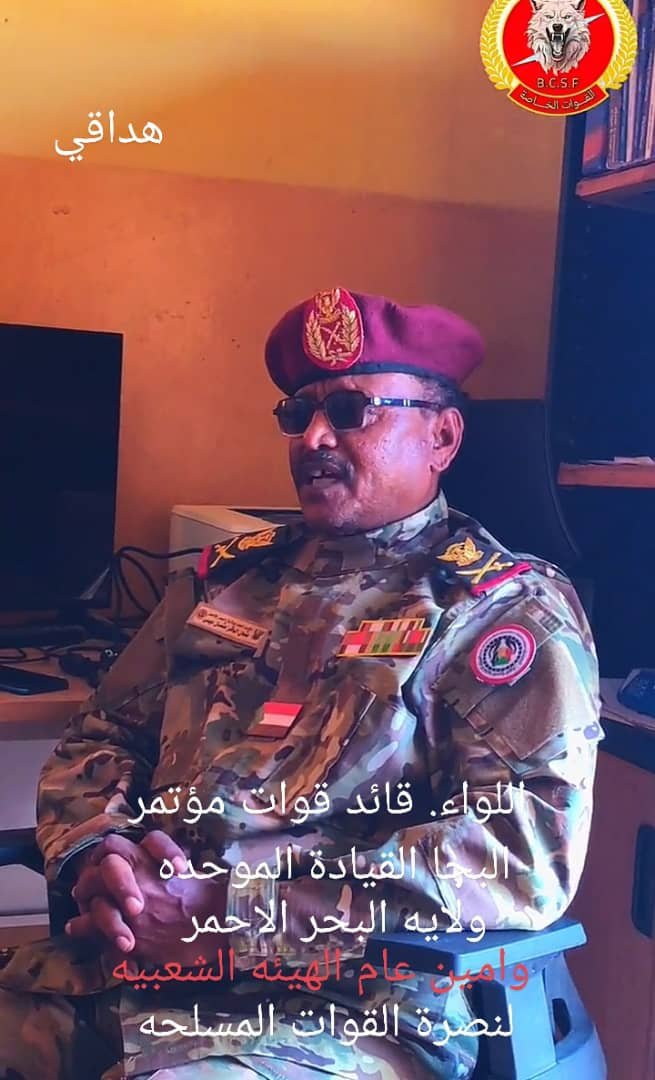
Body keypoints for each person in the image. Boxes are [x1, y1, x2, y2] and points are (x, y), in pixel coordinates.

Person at [0, 286, 602, 1080]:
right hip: (122, 971)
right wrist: (97, 856)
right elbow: (100, 737)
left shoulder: (498, 611)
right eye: (298, 413)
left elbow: (518, 854)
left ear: (442, 436)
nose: (313, 436)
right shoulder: (223, 582)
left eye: (350, 411)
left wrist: (228, 914)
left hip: (345, 1005)